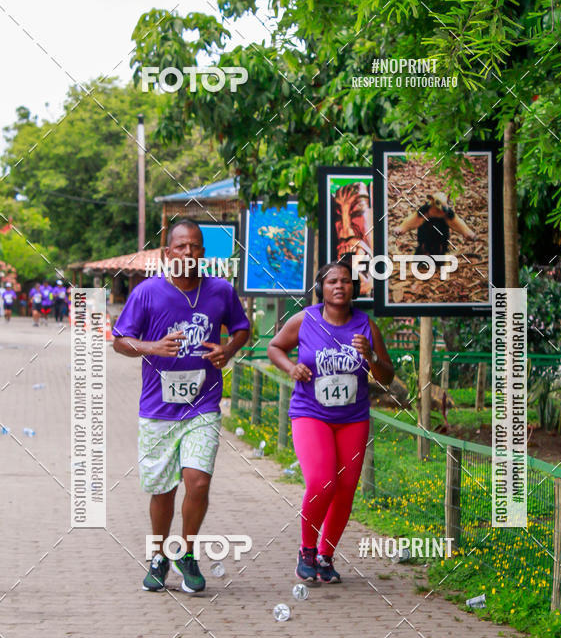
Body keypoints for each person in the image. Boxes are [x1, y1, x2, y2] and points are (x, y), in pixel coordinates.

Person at [113, 218, 250, 594]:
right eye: (181, 247)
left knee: (198, 481)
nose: (188, 253)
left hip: (202, 405)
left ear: (203, 251)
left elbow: (242, 328)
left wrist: (229, 349)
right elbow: (120, 341)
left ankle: (186, 552)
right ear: (167, 252)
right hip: (157, 408)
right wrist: (152, 347)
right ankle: (158, 554)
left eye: (195, 246)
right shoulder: (147, 292)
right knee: (163, 489)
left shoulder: (221, 291)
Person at [267, 259, 394, 583]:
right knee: (323, 481)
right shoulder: (305, 320)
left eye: (346, 281)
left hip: (352, 417)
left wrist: (371, 356)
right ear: (321, 289)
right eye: (332, 281)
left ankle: (326, 556)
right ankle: (306, 550)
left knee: (346, 488)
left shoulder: (366, 325)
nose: (340, 286)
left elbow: (386, 376)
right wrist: (290, 368)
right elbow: (274, 347)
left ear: (354, 288)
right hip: (311, 413)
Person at [398, 191, 477, 257]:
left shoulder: (446, 213)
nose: (444, 208)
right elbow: (414, 220)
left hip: (441, 242)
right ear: (431, 200)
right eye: (439, 203)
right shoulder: (425, 210)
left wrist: (467, 232)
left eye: (446, 203)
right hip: (425, 240)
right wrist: (402, 228)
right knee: (422, 251)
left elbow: (456, 223)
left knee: (440, 253)